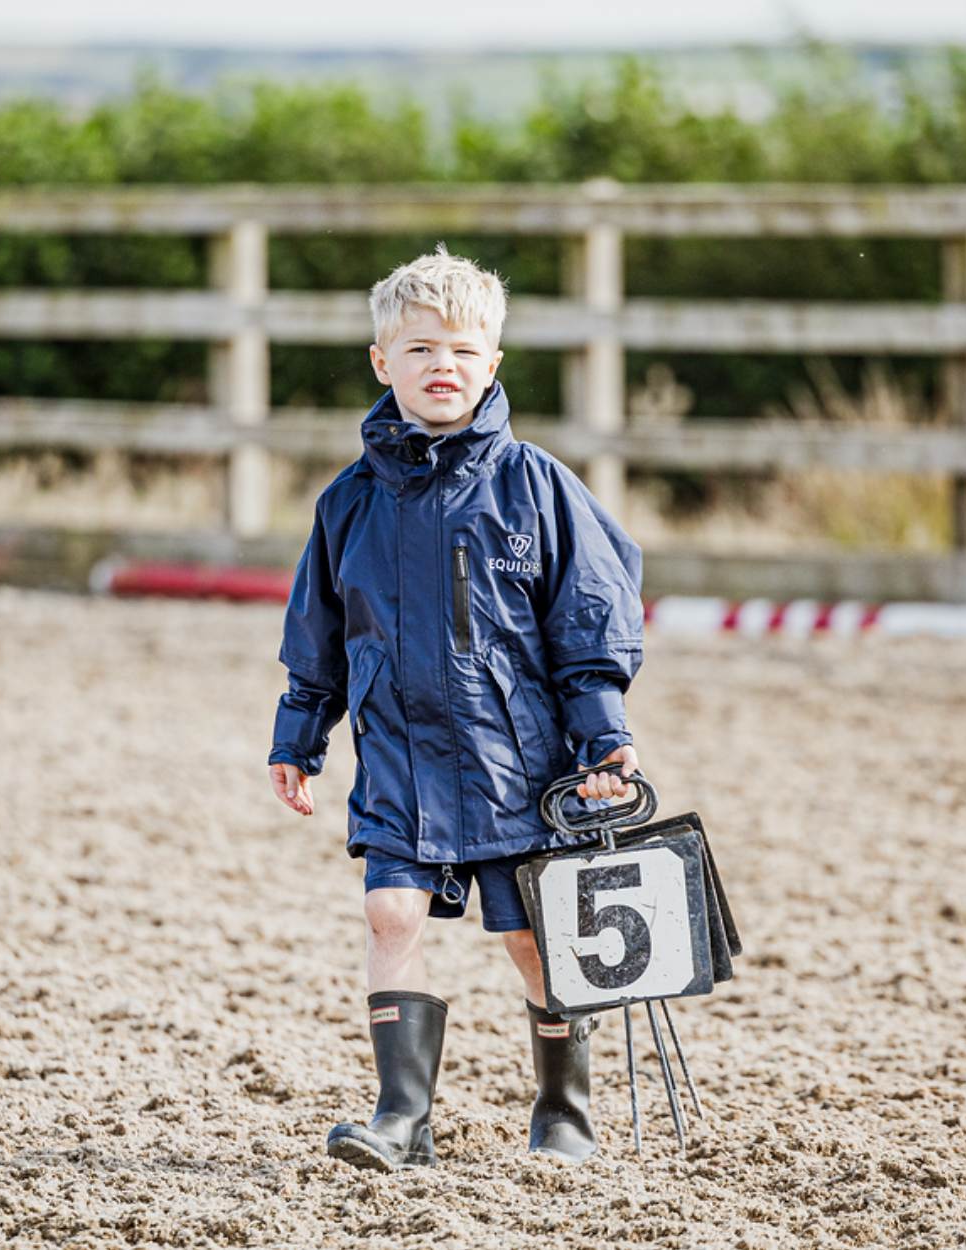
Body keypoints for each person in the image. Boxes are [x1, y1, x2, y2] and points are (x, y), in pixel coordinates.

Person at [268, 245, 643, 1172]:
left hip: (519, 761)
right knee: (391, 914)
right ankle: (403, 1116)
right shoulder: (346, 504)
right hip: (397, 755)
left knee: (528, 935)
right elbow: (316, 635)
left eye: (466, 352)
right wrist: (299, 736)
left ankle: (564, 1108)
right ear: (381, 361)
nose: (445, 366)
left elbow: (588, 622)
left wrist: (604, 736)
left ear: (494, 364)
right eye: (423, 348)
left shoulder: (539, 488)